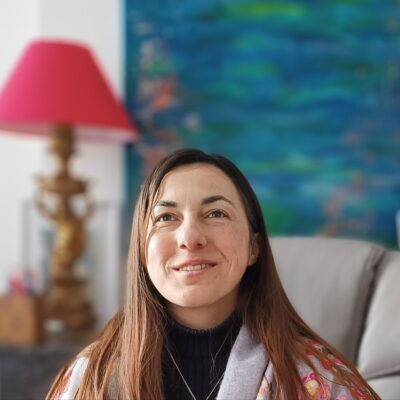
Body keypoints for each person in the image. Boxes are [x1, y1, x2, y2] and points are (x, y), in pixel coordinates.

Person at [47, 148, 380, 400]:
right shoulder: (90, 379)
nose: (190, 238)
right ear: (142, 252)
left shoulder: (320, 380)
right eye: (166, 218)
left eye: (216, 213)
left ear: (254, 247)